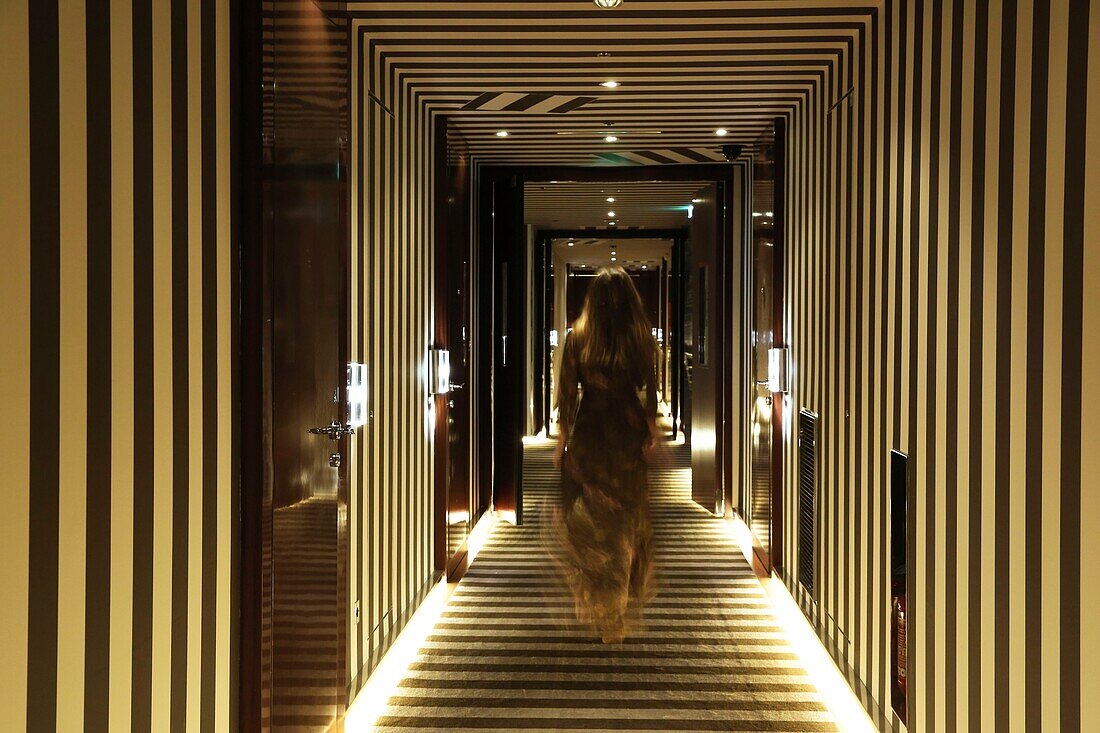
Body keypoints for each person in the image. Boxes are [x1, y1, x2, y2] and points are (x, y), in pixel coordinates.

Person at [552, 266, 659, 643]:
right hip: (626, 436)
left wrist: (562, 439)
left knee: (591, 519)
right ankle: (618, 596)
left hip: (592, 435)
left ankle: (604, 600)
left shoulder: (578, 338)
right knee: (625, 517)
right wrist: (650, 429)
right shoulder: (641, 339)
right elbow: (649, 390)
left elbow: (567, 394)